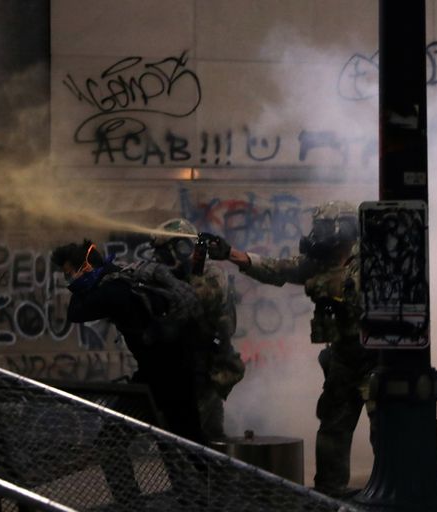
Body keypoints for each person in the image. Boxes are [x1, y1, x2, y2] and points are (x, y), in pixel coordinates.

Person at [206, 200, 375, 498]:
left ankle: (388, 489)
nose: (317, 234)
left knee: (386, 429)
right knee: (333, 427)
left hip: (377, 360)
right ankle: (330, 493)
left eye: (324, 227)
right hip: (344, 359)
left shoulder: (374, 263)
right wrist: (231, 254)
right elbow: (277, 269)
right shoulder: (319, 264)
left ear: (345, 229)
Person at [51, 239, 206, 444]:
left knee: (112, 442)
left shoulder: (111, 292)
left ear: (87, 268)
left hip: (164, 376)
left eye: (71, 273)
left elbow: (74, 313)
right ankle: (207, 474)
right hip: (167, 370)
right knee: (183, 443)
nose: (69, 279)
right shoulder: (121, 276)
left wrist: (79, 286)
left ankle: (216, 475)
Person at [150, 218, 245, 440]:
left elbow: (194, 300)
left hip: (206, 366)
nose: (159, 258)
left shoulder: (211, 274)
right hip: (183, 365)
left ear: (182, 248)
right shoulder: (174, 276)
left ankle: (208, 472)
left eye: (164, 251)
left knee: (200, 435)